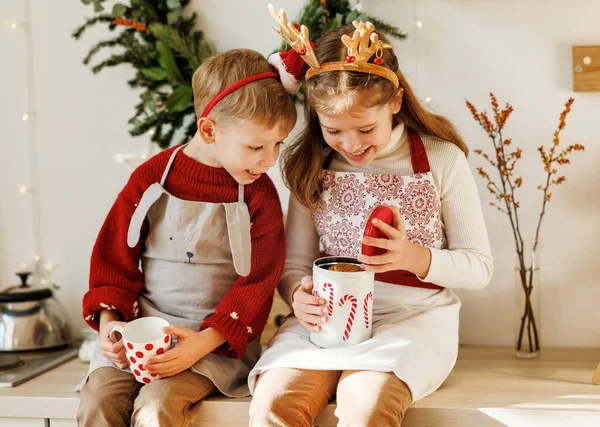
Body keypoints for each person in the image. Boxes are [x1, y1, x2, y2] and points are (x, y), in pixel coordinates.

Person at [249, 10, 494, 427]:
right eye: (333, 131)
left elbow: (480, 268)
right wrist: (298, 298)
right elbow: (293, 266)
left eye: (365, 129)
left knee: (366, 409)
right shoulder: (309, 163)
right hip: (327, 324)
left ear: (395, 102)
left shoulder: (441, 160)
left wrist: (412, 257)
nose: (350, 144)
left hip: (412, 323)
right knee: (275, 404)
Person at [76, 48, 297, 427]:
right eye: (256, 147)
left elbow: (258, 283)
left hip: (214, 344)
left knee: (156, 407)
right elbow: (115, 257)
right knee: (99, 402)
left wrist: (202, 343)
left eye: (277, 145)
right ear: (209, 130)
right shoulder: (153, 178)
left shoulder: (259, 196)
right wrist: (111, 324)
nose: (269, 160)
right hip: (140, 334)